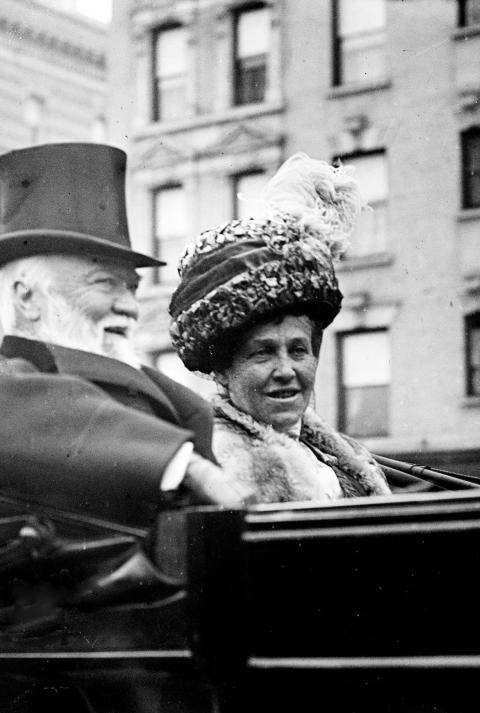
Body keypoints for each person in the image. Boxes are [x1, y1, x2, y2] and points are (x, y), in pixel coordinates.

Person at [0, 143, 253, 529]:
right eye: (105, 284)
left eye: (132, 288)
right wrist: (180, 463)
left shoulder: (175, 399)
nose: (129, 306)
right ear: (27, 298)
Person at [168, 153, 392, 503]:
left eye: (299, 350)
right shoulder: (219, 469)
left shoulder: (333, 457)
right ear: (223, 371)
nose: (286, 370)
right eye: (263, 352)